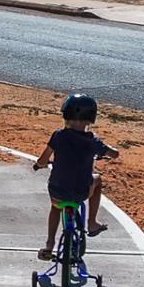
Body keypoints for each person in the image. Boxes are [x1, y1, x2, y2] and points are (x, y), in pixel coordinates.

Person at [33, 93, 120, 260]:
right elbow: (114, 154)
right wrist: (109, 151)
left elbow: (43, 160)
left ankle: (49, 244)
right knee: (97, 179)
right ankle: (92, 223)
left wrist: (40, 164)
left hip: (58, 191)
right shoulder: (93, 140)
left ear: (66, 114)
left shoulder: (58, 136)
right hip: (81, 191)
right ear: (91, 118)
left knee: (55, 208)